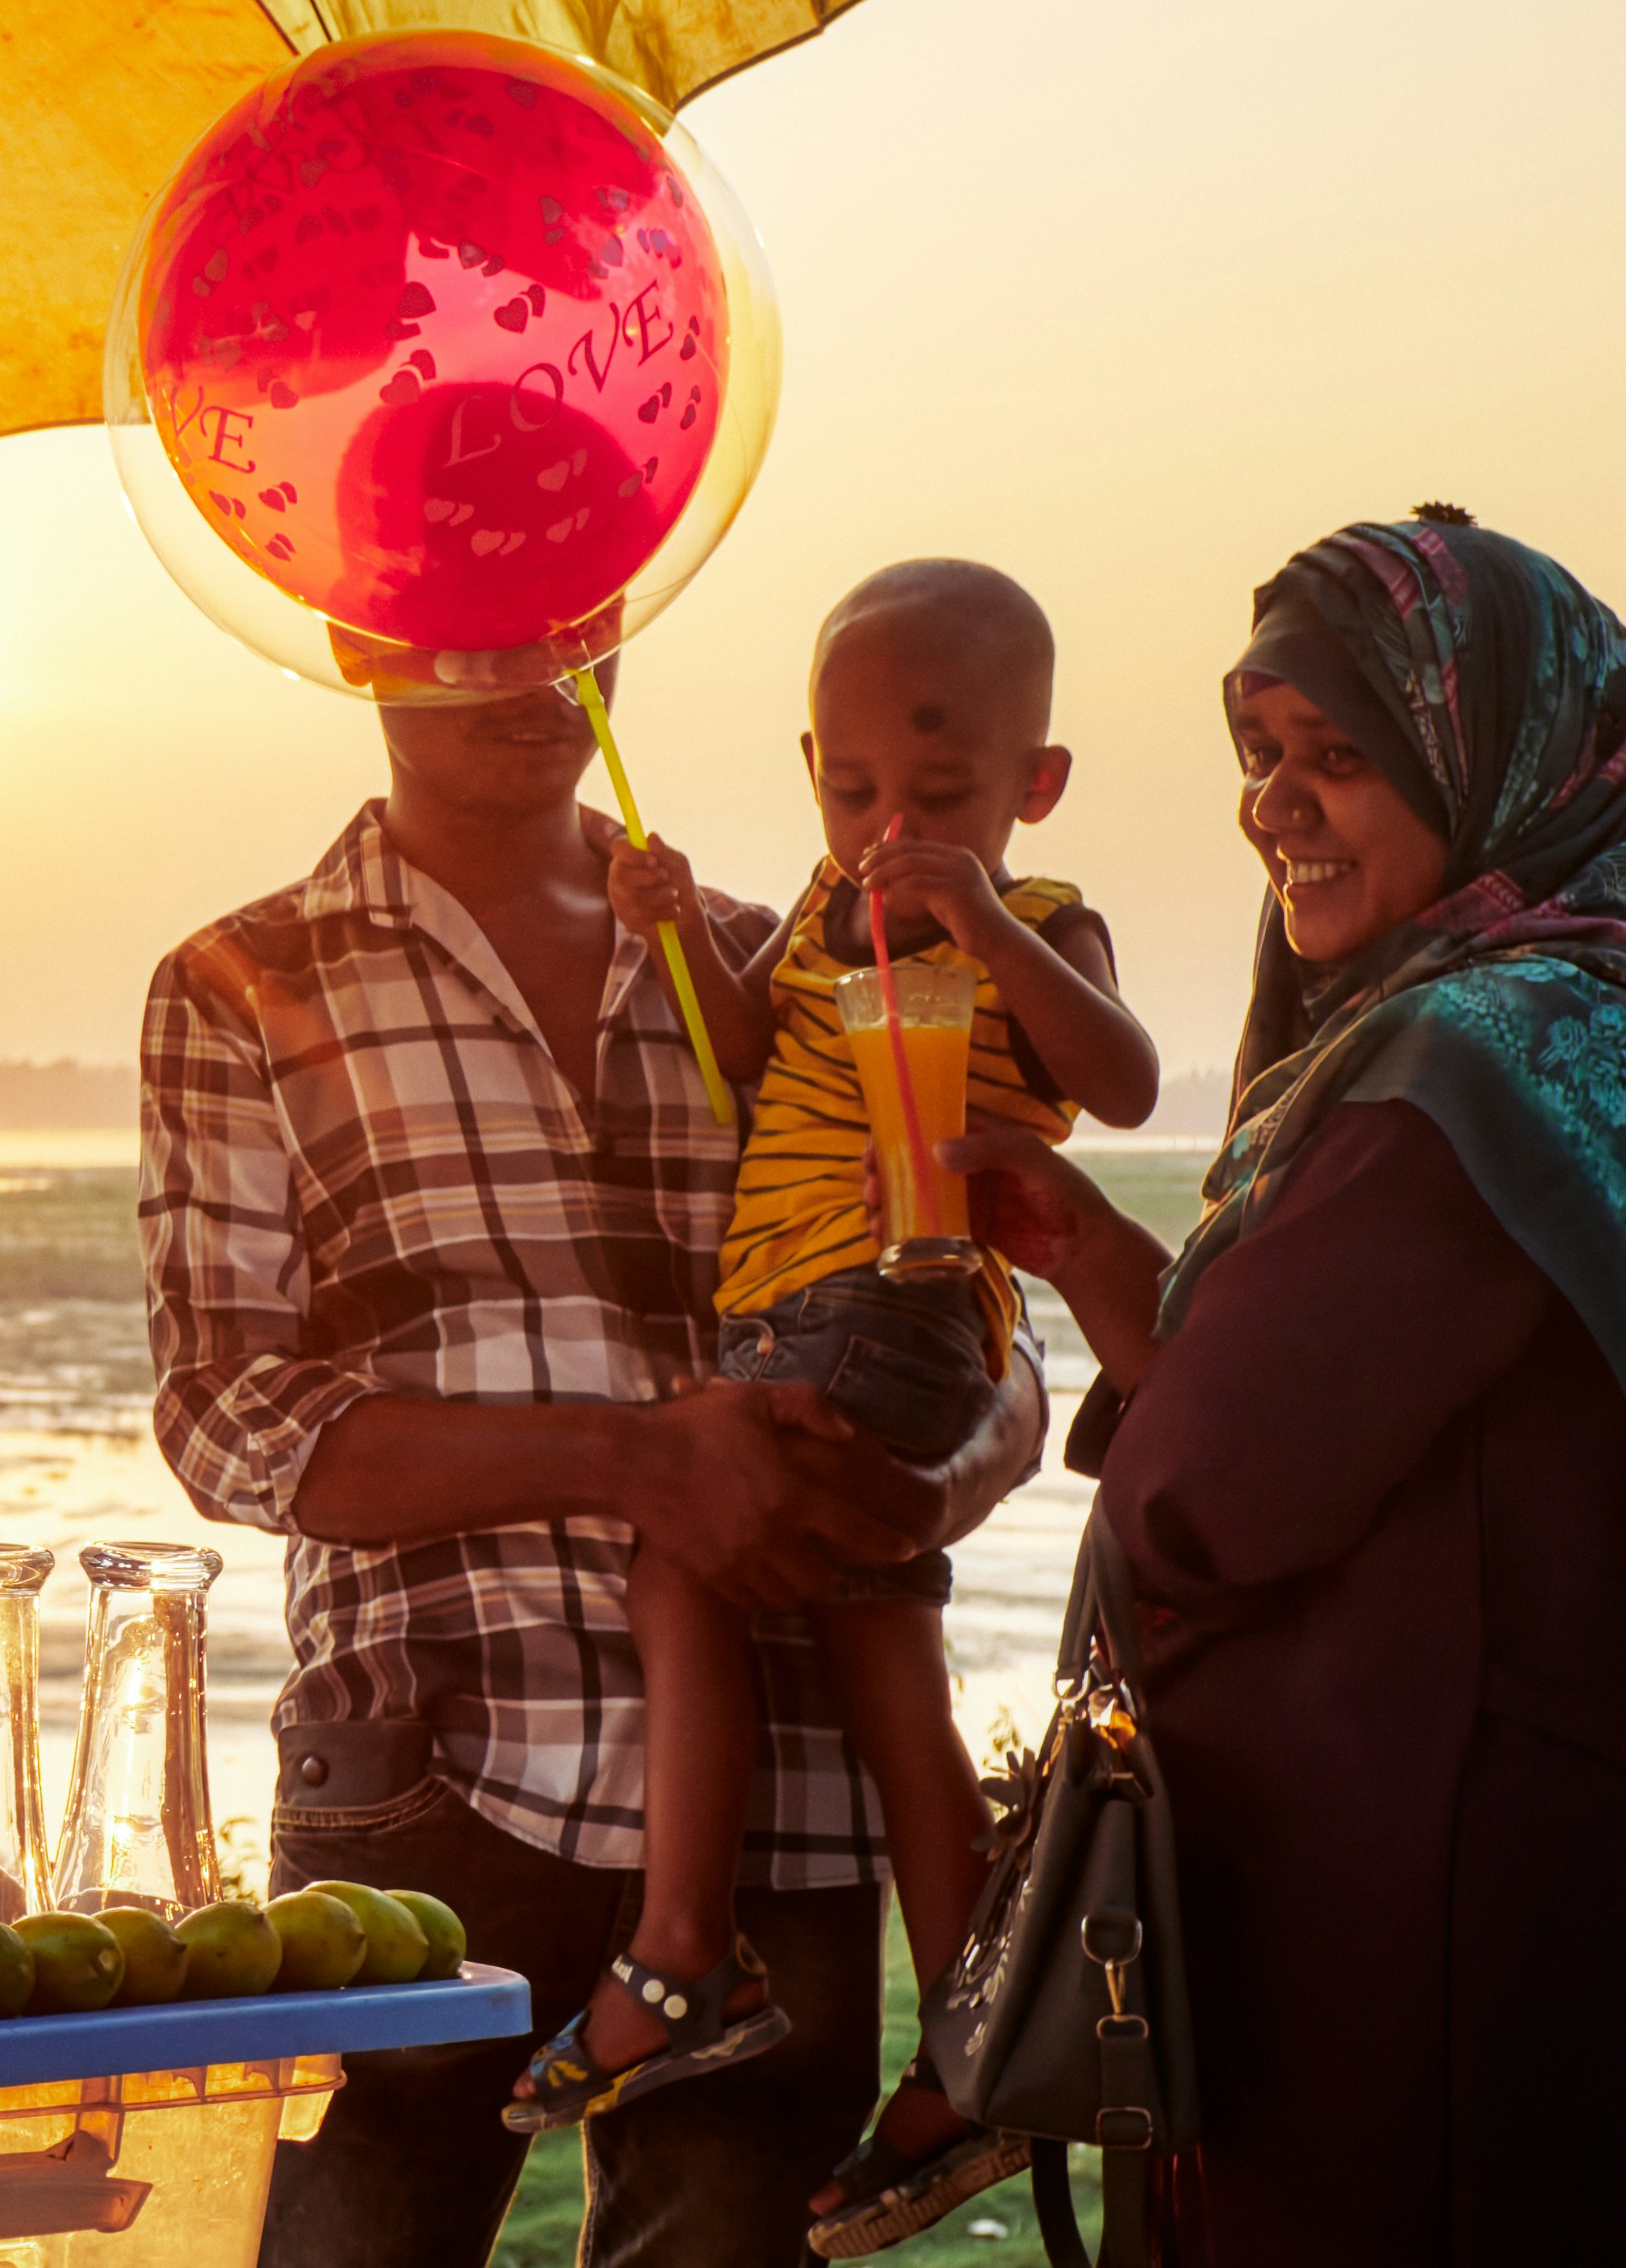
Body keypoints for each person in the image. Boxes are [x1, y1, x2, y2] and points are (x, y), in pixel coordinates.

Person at [947, 511, 1626, 2264]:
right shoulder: (1619, 1033)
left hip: (1411, 1924)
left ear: (1488, 758)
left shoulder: (1478, 1063)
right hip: (1529, 1891)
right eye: (1259, 754)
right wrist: (1092, 1255)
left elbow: (1217, 1483)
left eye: (1336, 755)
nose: (1271, 803)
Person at [140, 663, 1047, 2268]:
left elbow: (979, 1308)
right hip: (428, 1780)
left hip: (788, 1793)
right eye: (468, 618)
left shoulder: (786, 961)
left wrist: (946, 1481)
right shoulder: (239, 978)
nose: (531, 660)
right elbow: (223, 1414)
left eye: (575, 607)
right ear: (361, 630)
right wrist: (631, 1461)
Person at [529, 563, 1154, 2251]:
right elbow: (747, 1055)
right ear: (810, 764)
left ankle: (678, 1948)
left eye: (939, 796)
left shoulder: (1038, 920)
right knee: (889, 1679)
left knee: (677, 1556)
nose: (889, 826)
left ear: (1032, 785)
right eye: (853, 787)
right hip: (796, 1300)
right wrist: (674, 926)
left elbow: (1120, 1079)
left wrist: (991, 919)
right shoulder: (816, 915)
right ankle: (972, 2051)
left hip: (886, 1290)